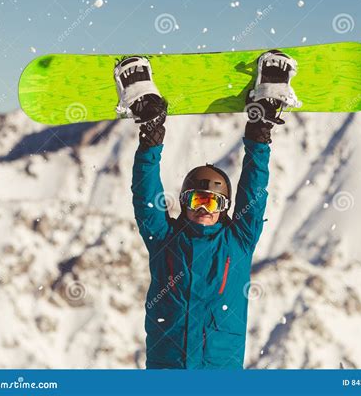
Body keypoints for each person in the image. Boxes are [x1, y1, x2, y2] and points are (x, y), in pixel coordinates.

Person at [115, 50, 296, 369]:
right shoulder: (163, 240)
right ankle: (151, 115)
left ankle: (262, 106)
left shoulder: (238, 242)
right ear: (183, 202)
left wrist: (259, 134)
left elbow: (254, 189)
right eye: (196, 199)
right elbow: (145, 197)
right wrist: (151, 141)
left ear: (225, 207)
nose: (203, 208)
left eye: (213, 201)